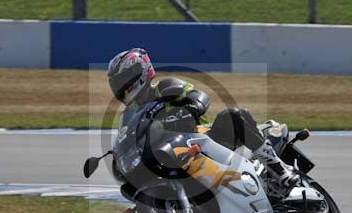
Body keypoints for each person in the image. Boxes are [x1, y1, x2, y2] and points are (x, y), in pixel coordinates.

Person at [107, 48, 299, 193]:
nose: (121, 87)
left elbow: (199, 97)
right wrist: (119, 159)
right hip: (171, 157)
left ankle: (279, 170)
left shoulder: (166, 86)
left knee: (233, 115)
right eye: (117, 84)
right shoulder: (128, 115)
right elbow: (127, 140)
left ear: (140, 72)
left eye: (124, 79)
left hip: (207, 140)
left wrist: (190, 107)